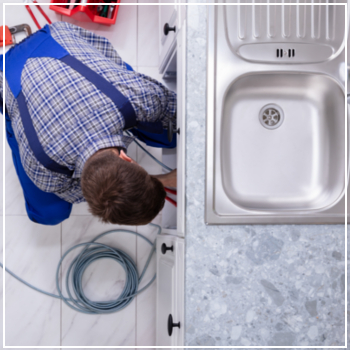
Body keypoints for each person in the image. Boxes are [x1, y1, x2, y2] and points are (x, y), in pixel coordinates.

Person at [0, 21, 177, 226]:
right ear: (127, 159)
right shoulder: (43, 171)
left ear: (128, 160)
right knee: (49, 214)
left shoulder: (141, 96)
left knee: (168, 133)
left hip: (57, 37)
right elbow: (83, 193)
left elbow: (174, 109)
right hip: (9, 73)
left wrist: (161, 181)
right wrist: (160, 180)